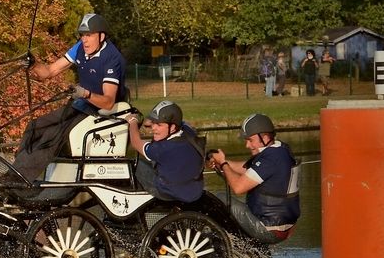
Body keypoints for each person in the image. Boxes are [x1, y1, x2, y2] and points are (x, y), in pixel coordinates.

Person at [13, 13, 127, 181]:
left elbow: (109, 102)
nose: (84, 40)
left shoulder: (112, 58)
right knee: (35, 127)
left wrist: (85, 93)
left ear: (102, 36)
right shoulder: (79, 48)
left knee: (52, 135)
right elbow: (50, 71)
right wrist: (34, 64)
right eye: (82, 35)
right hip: (80, 105)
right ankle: (15, 172)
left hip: (99, 112)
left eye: (89, 35)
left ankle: (20, 181)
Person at [207, 113, 300, 243]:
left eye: (250, 140)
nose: (247, 145)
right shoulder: (280, 150)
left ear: (265, 137)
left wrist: (223, 163)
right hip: (280, 226)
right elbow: (246, 169)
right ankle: (236, 244)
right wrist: (221, 163)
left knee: (217, 199)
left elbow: (238, 187)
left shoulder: (271, 158)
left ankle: (218, 241)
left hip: (267, 228)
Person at [125, 100, 204, 202]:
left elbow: (136, 142)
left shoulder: (163, 148)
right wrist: (153, 121)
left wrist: (132, 121)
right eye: (153, 123)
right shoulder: (187, 131)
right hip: (194, 189)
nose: (153, 128)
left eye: (159, 125)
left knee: (133, 165)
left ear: (172, 127)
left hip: (171, 192)